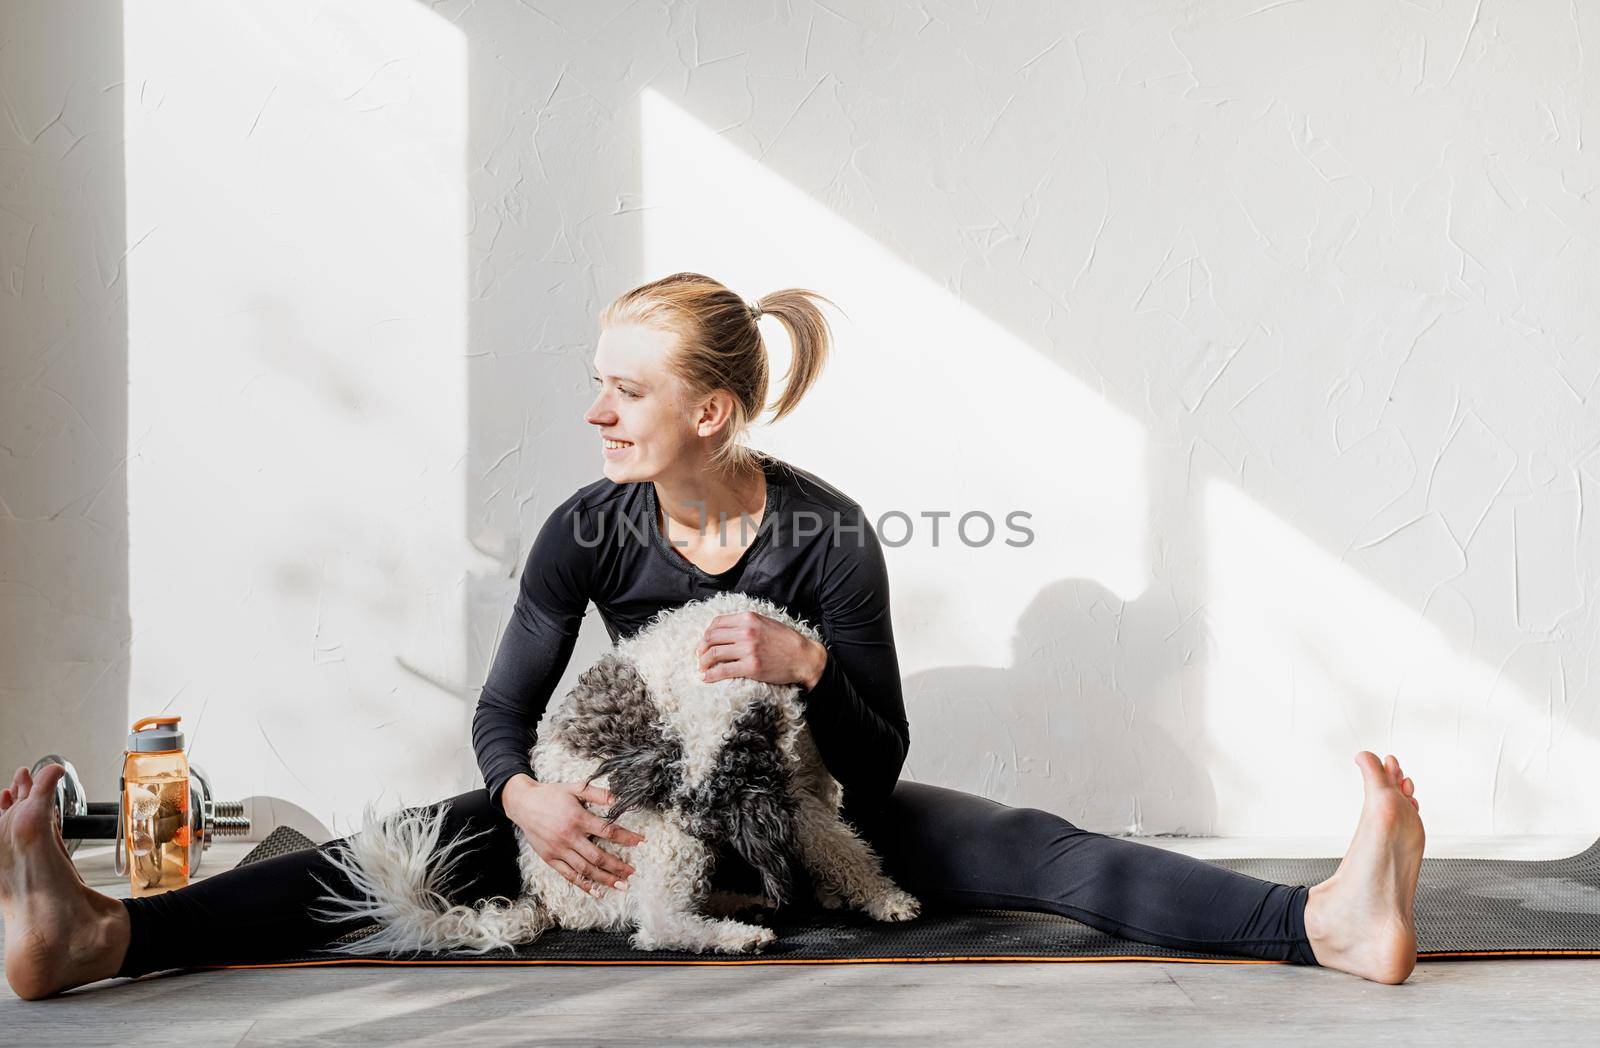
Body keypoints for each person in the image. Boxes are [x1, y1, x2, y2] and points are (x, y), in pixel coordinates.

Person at [0, 273, 1426, 1001]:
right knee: (406, 846)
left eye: (625, 390)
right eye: (597, 385)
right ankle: (104, 937)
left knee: (1032, 847)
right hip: (635, 826)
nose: (596, 412)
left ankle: (1319, 924)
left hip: (803, 822)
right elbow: (506, 714)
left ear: (712, 414)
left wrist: (811, 670)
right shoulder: (585, 528)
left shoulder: (827, 535)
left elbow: (874, 770)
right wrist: (527, 798)